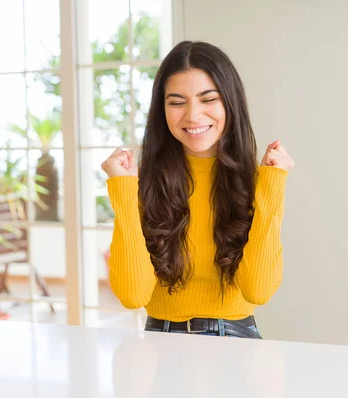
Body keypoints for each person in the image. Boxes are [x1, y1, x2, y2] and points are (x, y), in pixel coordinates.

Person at [101, 41, 294, 339]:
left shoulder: (258, 181)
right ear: (161, 110)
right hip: (160, 340)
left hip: (235, 340)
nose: (192, 115)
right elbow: (132, 296)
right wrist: (125, 191)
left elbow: (258, 290)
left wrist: (273, 184)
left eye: (208, 99)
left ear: (230, 102)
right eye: (177, 102)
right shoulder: (142, 184)